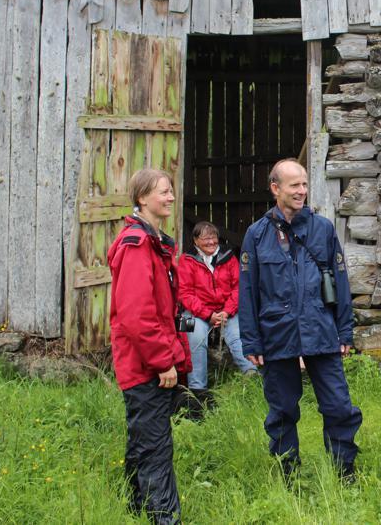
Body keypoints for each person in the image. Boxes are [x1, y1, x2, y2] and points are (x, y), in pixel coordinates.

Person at [238, 158, 362, 482]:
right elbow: (248, 290)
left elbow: (341, 281)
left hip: (321, 330)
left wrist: (344, 331)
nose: (302, 191)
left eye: (304, 184)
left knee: (338, 406)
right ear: (275, 188)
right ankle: (287, 472)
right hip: (276, 334)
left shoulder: (322, 229)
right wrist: (251, 340)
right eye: (294, 185)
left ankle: (343, 470)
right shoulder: (257, 234)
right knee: (282, 411)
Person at [108, 168, 191, 525]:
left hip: (149, 360)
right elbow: (136, 315)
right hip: (144, 364)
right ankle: (164, 519)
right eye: (163, 192)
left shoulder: (154, 242)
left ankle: (135, 508)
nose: (170, 197)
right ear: (142, 199)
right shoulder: (137, 245)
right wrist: (162, 362)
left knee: (144, 438)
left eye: (171, 191)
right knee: (157, 447)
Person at [176, 222, 258, 417]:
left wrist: (227, 311)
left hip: (226, 310)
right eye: (206, 238)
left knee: (238, 336)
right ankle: (197, 392)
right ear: (196, 240)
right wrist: (207, 315)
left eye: (214, 237)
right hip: (196, 312)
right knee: (193, 338)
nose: (212, 242)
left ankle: (254, 378)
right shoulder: (187, 261)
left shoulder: (228, 258)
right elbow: (185, 294)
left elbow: (239, 287)